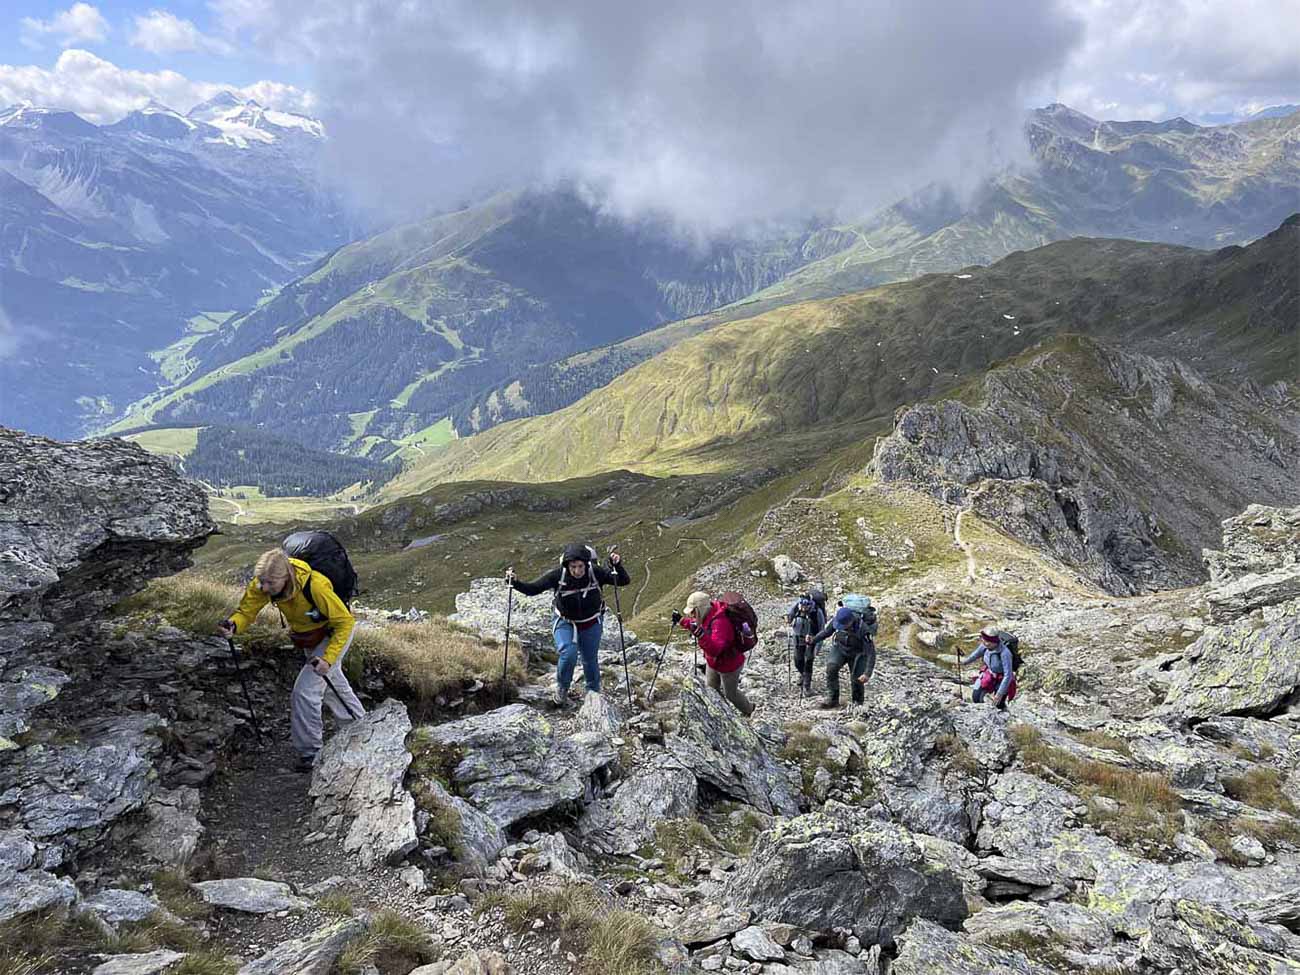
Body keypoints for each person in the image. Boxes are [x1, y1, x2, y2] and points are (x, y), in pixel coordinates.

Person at [217, 548, 365, 771]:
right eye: (261, 582)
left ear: (286, 576)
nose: (264, 588)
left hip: (334, 634)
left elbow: (345, 622)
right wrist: (234, 625)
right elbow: (246, 612)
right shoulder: (263, 585)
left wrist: (328, 659)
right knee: (332, 687)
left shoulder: (315, 585)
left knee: (305, 691)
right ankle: (363, 729)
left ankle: (311, 754)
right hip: (310, 638)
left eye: (270, 583)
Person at [507, 542, 629, 708]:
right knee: (568, 653)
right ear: (566, 565)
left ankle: (593, 694)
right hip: (565, 622)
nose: (577, 571)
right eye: (573, 567)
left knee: (590, 659)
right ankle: (562, 689)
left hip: (591, 622)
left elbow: (623, 581)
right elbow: (533, 589)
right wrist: (515, 583)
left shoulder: (596, 572)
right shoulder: (558, 576)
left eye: (580, 566)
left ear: (587, 564)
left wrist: (617, 566)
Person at [673, 591, 755, 716]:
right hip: (713, 663)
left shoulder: (720, 623)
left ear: (700, 609)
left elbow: (715, 650)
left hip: (729, 666)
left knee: (731, 694)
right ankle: (721, 712)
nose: (692, 615)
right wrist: (681, 620)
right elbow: (696, 625)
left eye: (693, 612)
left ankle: (749, 710)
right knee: (711, 689)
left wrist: (701, 635)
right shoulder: (708, 614)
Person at [809, 602, 877, 709]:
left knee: (857, 679)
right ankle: (832, 699)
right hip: (840, 648)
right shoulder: (837, 620)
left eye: (844, 626)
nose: (841, 628)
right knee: (831, 668)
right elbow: (826, 632)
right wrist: (813, 640)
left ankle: (857, 703)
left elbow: (871, 652)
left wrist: (867, 673)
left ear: (850, 621)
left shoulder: (863, 629)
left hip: (858, 653)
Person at [961, 627, 1017, 709]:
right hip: (989, 673)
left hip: (1002, 678)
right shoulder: (984, 646)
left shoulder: (1005, 653)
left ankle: (1002, 712)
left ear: (995, 642)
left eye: (989, 642)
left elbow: (1007, 675)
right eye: (985, 640)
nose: (986, 644)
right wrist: (964, 662)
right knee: (976, 696)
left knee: (998, 704)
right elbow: (976, 654)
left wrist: (999, 693)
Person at [785, 588, 827, 695]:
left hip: (812, 639)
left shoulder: (817, 612)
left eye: (806, 606)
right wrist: (788, 619)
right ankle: (802, 674)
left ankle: (807, 687)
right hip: (798, 637)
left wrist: (817, 647)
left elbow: (822, 630)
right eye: (802, 606)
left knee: (808, 661)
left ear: (810, 604)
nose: (803, 608)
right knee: (797, 660)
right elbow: (789, 616)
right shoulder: (797, 607)